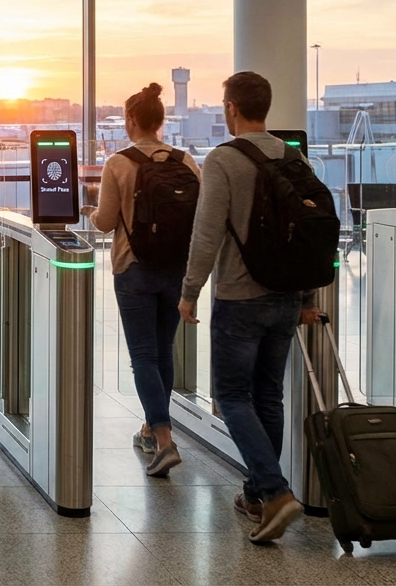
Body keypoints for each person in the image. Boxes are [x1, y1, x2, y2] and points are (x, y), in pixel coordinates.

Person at [178, 71, 323, 544]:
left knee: (232, 396)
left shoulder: (224, 159)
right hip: (286, 298)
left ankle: (276, 493)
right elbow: (308, 233)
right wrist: (306, 298)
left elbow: (207, 233)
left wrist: (190, 291)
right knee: (268, 396)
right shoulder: (293, 156)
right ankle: (258, 496)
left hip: (240, 298)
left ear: (232, 108)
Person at [82, 83, 199, 479]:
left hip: (134, 268)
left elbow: (105, 222)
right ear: (160, 121)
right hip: (177, 268)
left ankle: (163, 441)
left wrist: (89, 207)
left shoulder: (119, 164)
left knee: (143, 356)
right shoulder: (185, 161)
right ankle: (151, 429)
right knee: (164, 351)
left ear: (131, 120)